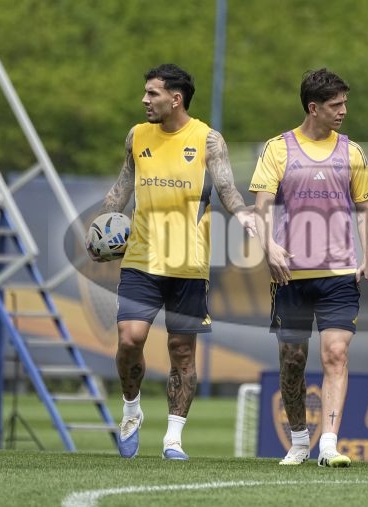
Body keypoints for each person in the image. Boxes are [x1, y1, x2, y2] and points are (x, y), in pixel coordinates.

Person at [86, 63, 256, 460]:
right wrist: (99, 230)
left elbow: (227, 188)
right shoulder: (137, 136)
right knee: (130, 339)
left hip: (189, 265)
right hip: (140, 260)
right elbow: (121, 189)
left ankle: (173, 439)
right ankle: (132, 410)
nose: (145, 100)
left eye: (153, 93)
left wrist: (245, 215)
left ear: (175, 99)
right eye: (146, 93)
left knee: (181, 350)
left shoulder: (208, 139)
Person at [250, 68, 368, 468]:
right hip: (290, 276)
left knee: (335, 354)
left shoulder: (351, 152)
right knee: (292, 360)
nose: (343, 111)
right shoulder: (278, 149)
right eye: (335, 105)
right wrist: (269, 246)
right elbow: (260, 208)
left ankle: (328, 443)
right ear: (313, 108)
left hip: (339, 275)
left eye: (344, 103)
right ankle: (298, 442)